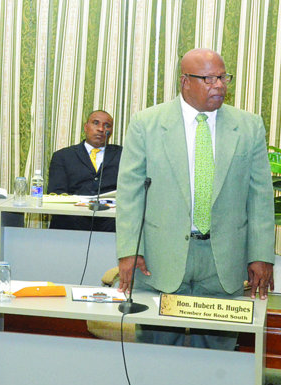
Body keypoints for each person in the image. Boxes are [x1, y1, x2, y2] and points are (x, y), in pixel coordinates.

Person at [116, 48, 275, 349]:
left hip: (222, 264)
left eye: (223, 77)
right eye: (208, 79)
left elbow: (260, 196)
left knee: (219, 360)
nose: (219, 85)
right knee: (156, 354)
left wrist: (261, 255)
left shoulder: (249, 126)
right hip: (161, 260)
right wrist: (128, 250)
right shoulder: (146, 124)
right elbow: (130, 193)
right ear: (185, 82)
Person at [47, 110, 120, 231]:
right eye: (95, 123)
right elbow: (55, 193)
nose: (101, 129)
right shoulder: (62, 156)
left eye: (107, 125)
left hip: (110, 223)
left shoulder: (124, 155)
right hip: (72, 222)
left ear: (111, 131)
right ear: (86, 127)